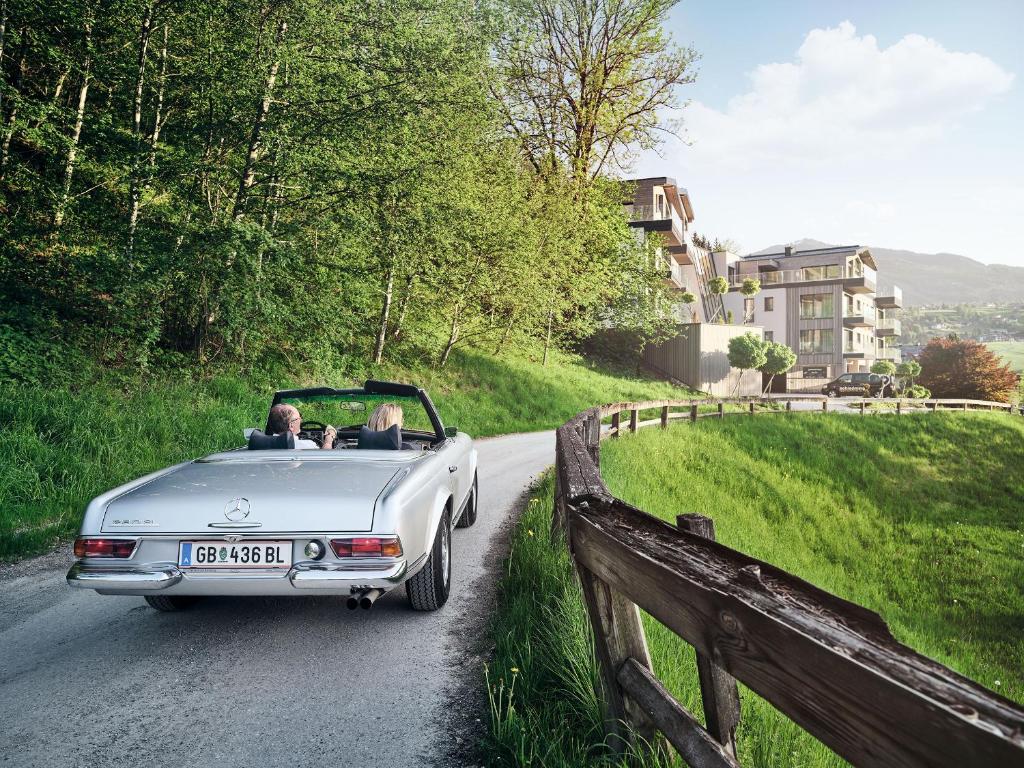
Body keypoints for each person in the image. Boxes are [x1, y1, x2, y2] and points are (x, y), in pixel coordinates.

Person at [267, 403, 336, 449]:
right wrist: (328, 439)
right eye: (299, 418)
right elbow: (323, 459)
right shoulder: (305, 446)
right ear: (291, 425)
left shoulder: (262, 444)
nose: (301, 420)